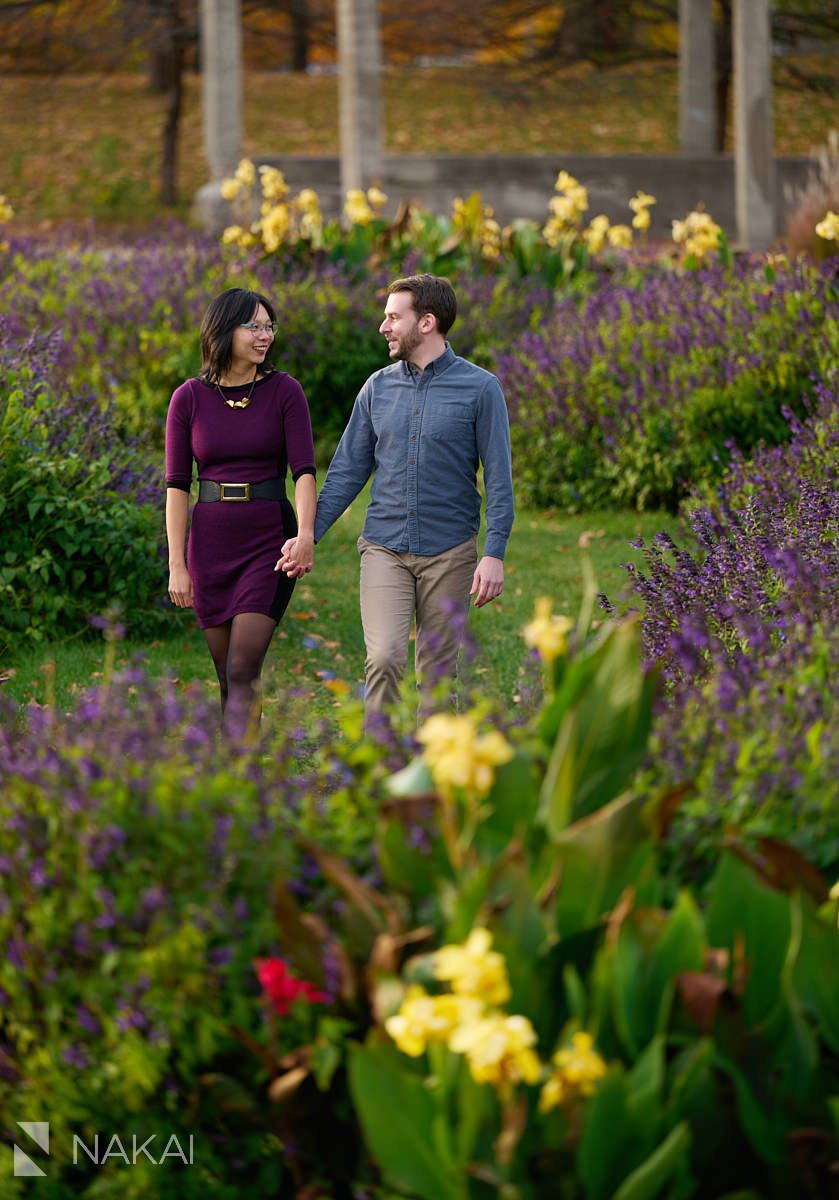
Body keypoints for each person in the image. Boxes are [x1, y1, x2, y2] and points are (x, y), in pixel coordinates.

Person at [280, 272, 513, 718]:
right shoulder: (377, 387)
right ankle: (382, 772)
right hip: (384, 547)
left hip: (451, 552)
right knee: (384, 658)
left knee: (437, 676)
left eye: (393, 317)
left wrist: (494, 552)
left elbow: (499, 479)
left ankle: (432, 778)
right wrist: (308, 534)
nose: (383, 327)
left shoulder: (481, 389)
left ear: (426, 322)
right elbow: (347, 471)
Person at [165, 287, 316, 734]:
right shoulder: (188, 398)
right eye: (253, 325)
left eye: (269, 325)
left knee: (244, 667)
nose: (264, 334)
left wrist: (305, 534)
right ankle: (238, 789)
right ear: (223, 329)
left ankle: (243, 778)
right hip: (210, 545)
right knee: (226, 675)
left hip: (269, 540)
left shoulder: (285, 391)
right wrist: (177, 564)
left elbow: (304, 472)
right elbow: (176, 487)